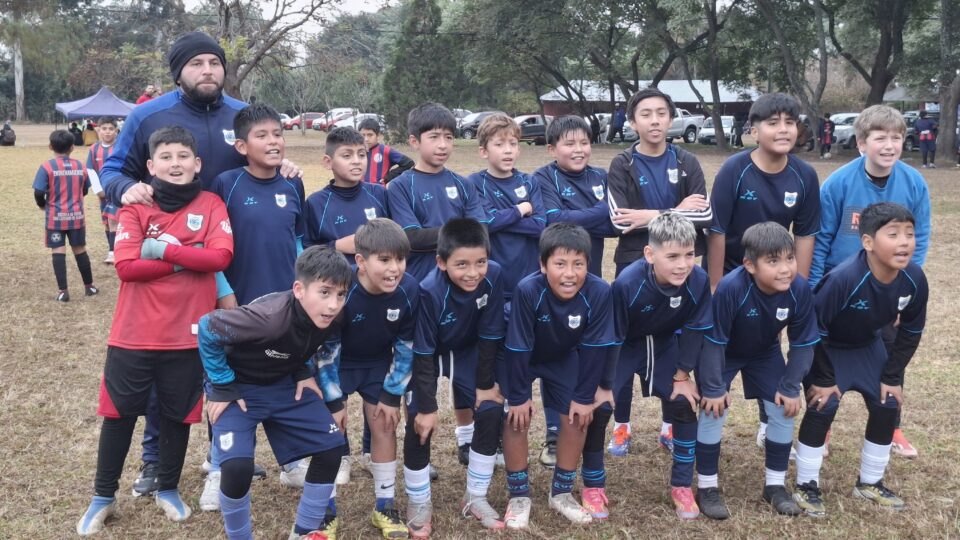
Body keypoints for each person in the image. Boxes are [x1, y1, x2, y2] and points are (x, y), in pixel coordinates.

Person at [99, 30, 303, 500]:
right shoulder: (149, 115)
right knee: (167, 358)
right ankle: (154, 463)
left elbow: (265, 150)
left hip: (237, 252)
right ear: (179, 72)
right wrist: (121, 189)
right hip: (175, 260)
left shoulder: (239, 114)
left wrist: (283, 164)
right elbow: (113, 168)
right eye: (196, 64)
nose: (207, 71)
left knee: (232, 355)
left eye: (214, 62)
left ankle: (226, 456)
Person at [75, 126, 234, 535]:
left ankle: (168, 488)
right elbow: (128, 267)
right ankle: (103, 496)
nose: (175, 163)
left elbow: (220, 256)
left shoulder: (212, 203)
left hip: (188, 335)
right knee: (119, 415)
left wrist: (161, 249)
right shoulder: (135, 208)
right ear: (151, 165)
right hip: (133, 333)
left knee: (177, 415)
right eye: (166, 156)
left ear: (197, 163)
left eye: (184, 156)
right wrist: (189, 257)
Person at [199, 246, 351, 539]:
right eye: (325, 292)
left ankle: (305, 533)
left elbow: (307, 341)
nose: (333, 304)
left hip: (284, 384)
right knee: (238, 468)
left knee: (332, 447)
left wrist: (303, 371)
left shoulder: (334, 317)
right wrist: (221, 385)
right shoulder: (267, 318)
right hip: (238, 387)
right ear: (299, 289)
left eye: (340, 295)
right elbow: (208, 327)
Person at [810, 105, 931, 458]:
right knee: (825, 355)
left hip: (888, 289)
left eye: (896, 137)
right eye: (880, 138)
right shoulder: (838, 183)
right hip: (842, 288)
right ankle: (823, 424)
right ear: (862, 143)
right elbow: (820, 238)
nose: (890, 145)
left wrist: (903, 290)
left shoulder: (914, 182)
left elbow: (919, 236)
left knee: (891, 356)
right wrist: (815, 288)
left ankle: (892, 427)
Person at [793, 202, 928, 517]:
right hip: (825, 348)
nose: (905, 242)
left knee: (888, 403)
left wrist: (892, 376)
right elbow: (813, 331)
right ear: (868, 242)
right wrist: (823, 380)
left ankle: (869, 482)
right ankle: (806, 486)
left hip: (868, 347)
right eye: (893, 234)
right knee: (822, 404)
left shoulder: (915, 278)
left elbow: (911, 330)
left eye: (909, 234)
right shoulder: (844, 278)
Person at [707, 93, 821, 446]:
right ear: (754, 131)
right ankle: (707, 418)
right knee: (719, 346)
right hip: (732, 273)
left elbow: (804, 235)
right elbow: (716, 231)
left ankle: (767, 421)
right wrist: (714, 286)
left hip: (774, 277)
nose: (783, 129)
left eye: (790, 122)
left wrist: (794, 286)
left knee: (767, 344)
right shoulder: (734, 170)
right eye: (773, 123)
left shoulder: (804, 176)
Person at [604, 87, 712, 456]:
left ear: (670, 118)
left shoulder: (686, 162)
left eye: (661, 113)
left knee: (674, 344)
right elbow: (620, 220)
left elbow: (704, 215)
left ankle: (669, 425)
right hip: (634, 262)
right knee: (624, 346)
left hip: (678, 263)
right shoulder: (622, 164)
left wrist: (650, 216)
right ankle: (621, 426)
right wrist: (677, 207)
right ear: (633, 122)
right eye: (645, 114)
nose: (654, 121)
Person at [694, 222, 818, 519]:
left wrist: (790, 387)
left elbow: (803, 343)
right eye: (773, 261)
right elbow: (713, 341)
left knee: (782, 408)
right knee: (714, 408)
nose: (786, 268)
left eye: (789, 258)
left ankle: (774, 486)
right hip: (724, 352)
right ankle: (707, 487)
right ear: (750, 264)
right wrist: (713, 387)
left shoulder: (798, 288)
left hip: (764, 353)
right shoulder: (730, 287)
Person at [501, 222, 618, 528]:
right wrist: (518, 397)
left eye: (578, 264)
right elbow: (517, 346)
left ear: (588, 265)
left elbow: (595, 347)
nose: (569, 273)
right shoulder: (528, 290)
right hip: (523, 358)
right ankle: (519, 495)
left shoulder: (599, 291)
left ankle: (561, 492)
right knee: (516, 417)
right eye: (560, 264)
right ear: (543, 265)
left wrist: (583, 398)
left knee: (578, 417)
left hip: (563, 358)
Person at [608, 212, 715, 520]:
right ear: (650, 254)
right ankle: (592, 484)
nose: (682, 264)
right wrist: (603, 383)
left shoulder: (698, 280)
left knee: (682, 403)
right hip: (626, 345)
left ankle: (681, 485)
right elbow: (612, 335)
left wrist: (682, 375)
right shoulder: (627, 283)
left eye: (688, 255)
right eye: (672, 256)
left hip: (665, 343)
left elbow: (696, 330)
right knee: (600, 407)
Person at [314, 218, 418, 539]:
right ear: (360, 261)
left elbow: (406, 345)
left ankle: (384, 505)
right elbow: (327, 348)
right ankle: (324, 510)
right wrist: (333, 399)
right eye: (384, 260)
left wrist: (391, 395)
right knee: (330, 430)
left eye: (400, 259)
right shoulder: (342, 288)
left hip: (377, 364)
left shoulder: (410, 289)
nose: (394, 268)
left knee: (385, 424)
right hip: (340, 363)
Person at [405, 218, 506, 538]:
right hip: (430, 354)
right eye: (461, 264)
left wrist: (486, 384)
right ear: (441, 262)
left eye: (480, 262)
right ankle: (418, 501)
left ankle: (475, 497)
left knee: (490, 410)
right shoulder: (428, 291)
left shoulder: (495, 276)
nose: (473, 272)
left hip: (468, 351)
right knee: (417, 421)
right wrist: (426, 406)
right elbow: (421, 352)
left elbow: (491, 334)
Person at [532, 115, 616, 465]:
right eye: (569, 143)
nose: (579, 149)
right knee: (554, 357)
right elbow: (555, 222)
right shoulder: (543, 177)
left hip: (590, 281)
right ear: (552, 149)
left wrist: (587, 215)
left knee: (584, 356)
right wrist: (601, 212)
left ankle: (576, 424)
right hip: (556, 285)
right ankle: (553, 434)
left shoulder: (602, 176)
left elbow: (617, 223)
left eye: (584, 142)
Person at [386, 102, 490, 281]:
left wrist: (436, 233)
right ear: (414, 141)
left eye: (448, 137)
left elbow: (481, 230)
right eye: (434, 137)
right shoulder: (399, 186)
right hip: (421, 279)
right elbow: (411, 237)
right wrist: (462, 230)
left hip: (464, 278)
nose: (443, 145)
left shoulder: (464, 184)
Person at [467, 113, 546, 301]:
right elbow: (484, 224)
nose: (508, 150)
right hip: (492, 276)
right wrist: (520, 210)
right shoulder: (474, 183)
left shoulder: (529, 182)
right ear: (483, 151)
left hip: (528, 275)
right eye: (499, 144)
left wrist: (498, 219)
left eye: (513, 143)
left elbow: (539, 226)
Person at [32, 129, 98, 301]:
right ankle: (89, 287)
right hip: (76, 217)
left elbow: (39, 191)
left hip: (55, 218)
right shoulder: (80, 166)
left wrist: (42, 205)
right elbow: (85, 189)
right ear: (73, 147)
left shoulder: (47, 167)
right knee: (80, 249)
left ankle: (63, 292)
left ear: (50, 146)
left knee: (58, 250)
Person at [304, 127, 389, 253]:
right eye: (347, 156)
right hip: (337, 272)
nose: (356, 161)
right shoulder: (316, 203)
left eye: (361, 155)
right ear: (328, 162)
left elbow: (396, 238)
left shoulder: (379, 193)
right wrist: (336, 246)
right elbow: (307, 250)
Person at [86, 116, 120, 264]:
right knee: (106, 222)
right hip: (102, 193)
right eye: (104, 129)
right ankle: (112, 248)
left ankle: (113, 252)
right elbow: (90, 169)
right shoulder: (94, 149)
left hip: (117, 190)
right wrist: (97, 190)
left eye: (111, 129)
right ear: (98, 130)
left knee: (114, 220)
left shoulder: (121, 146)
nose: (107, 132)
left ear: (116, 131)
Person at [359, 117, 414, 185]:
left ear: (377, 136)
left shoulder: (385, 150)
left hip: (380, 192)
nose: (366, 139)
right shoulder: (356, 152)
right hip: (359, 192)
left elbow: (408, 163)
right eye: (363, 135)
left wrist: (389, 177)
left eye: (370, 135)